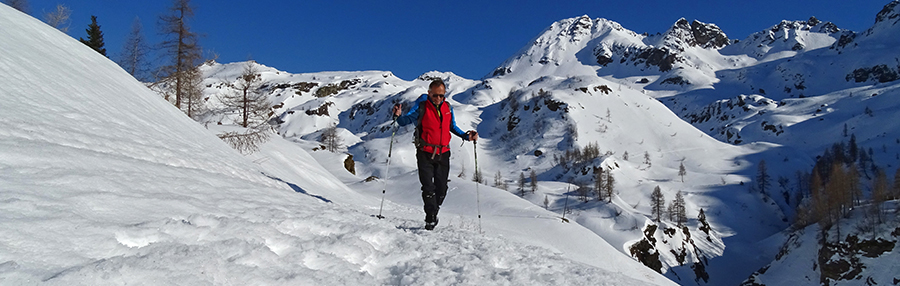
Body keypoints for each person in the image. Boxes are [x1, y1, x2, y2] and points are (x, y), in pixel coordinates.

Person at [392, 79, 477, 230]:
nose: (438, 98)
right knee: (428, 187)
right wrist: (398, 116)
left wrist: (466, 136)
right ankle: (430, 218)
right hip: (425, 152)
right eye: (435, 95)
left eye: (441, 95)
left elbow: (452, 127)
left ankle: (434, 212)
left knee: (442, 188)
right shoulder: (422, 107)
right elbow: (405, 121)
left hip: (443, 153)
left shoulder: (447, 108)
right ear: (429, 93)